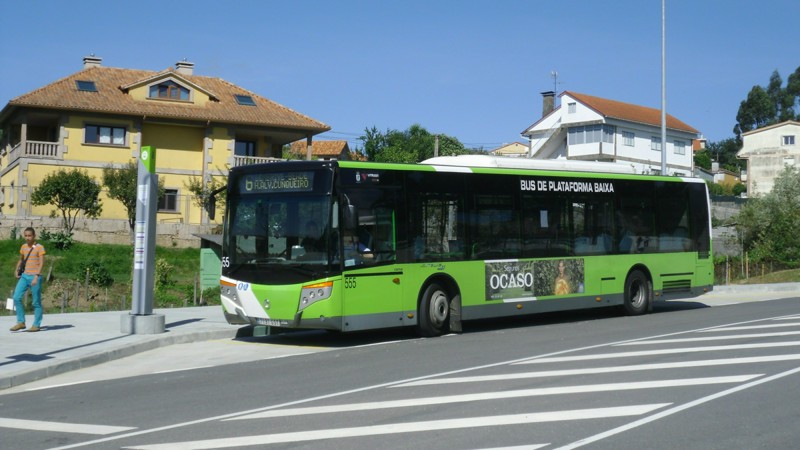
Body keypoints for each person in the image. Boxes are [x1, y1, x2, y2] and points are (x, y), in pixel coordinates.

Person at [10, 227, 46, 332]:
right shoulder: (24, 247)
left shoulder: (40, 247)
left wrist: (36, 276)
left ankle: (36, 325)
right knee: (16, 297)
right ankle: (21, 322)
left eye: (29, 235)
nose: (27, 238)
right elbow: (21, 259)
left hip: (35, 277)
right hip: (24, 276)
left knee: (36, 302)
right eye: (25, 235)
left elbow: (42, 263)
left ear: (34, 236)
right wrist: (17, 269)